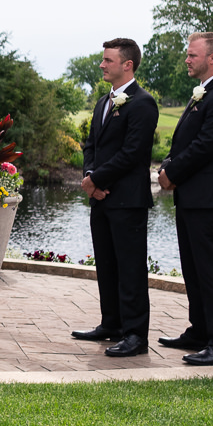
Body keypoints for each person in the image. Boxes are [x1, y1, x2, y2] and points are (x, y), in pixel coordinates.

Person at [156, 31, 213, 366]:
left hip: (211, 194)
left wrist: (172, 173)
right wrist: (169, 164)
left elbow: (207, 145)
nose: (186, 59)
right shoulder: (205, 92)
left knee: (210, 268)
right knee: (193, 267)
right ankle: (200, 330)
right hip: (194, 193)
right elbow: (185, 140)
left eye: (192, 55)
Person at [72, 38, 159, 358]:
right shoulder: (102, 102)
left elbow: (133, 153)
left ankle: (136, 335)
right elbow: (90, 145)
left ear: (128, 65)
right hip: (101, 198)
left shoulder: (143, 103)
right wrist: (89, 179)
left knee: (131, 269)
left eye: (108, 60)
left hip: (128, 200)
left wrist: (97, 179)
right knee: (106, 264)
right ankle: (111, 324)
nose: (101, 65)